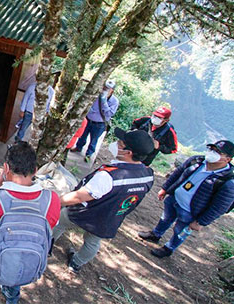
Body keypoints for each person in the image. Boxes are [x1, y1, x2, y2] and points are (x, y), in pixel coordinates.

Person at [52, 128, 155, 273]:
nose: (115, 144)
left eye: (120, 143)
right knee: (93, 242)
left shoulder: (110, 176)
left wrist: (55, 201)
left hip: (86, 213)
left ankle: (47, 244)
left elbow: (79, 196)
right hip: (110, 218)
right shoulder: (148, 175)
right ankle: (76, 264)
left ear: (128, 153)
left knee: (59, 221)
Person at [0, 141, 61, 303]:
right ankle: (11, 298)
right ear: (34, 170)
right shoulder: (52, 200)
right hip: (24, 261)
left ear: (6, 168)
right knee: (14, 276)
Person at [138, 140, 234, 258]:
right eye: (211, 149)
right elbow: (178, 173)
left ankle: (169, 248)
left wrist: (201, 222)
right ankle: (156, 234)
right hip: (174, 199)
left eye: (218, 152)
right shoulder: (197, 161)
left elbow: (219, 207)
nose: (212, 153)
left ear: (227, 159)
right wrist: (165, 188)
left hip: (191, 211)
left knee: (180, 231)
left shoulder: (227, 181)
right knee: (165, 218)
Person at [71, 80, 119, 162]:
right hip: (88, 119)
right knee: (82, 135)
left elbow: (109, 113)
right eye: (104, 87)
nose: (105, 89)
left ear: (112, 90)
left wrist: (104, 103)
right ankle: (78, 147)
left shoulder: (114, 101)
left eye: (108, 88)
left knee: (94, 140)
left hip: (99, 123)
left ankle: (89, 154)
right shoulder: (96, 94)